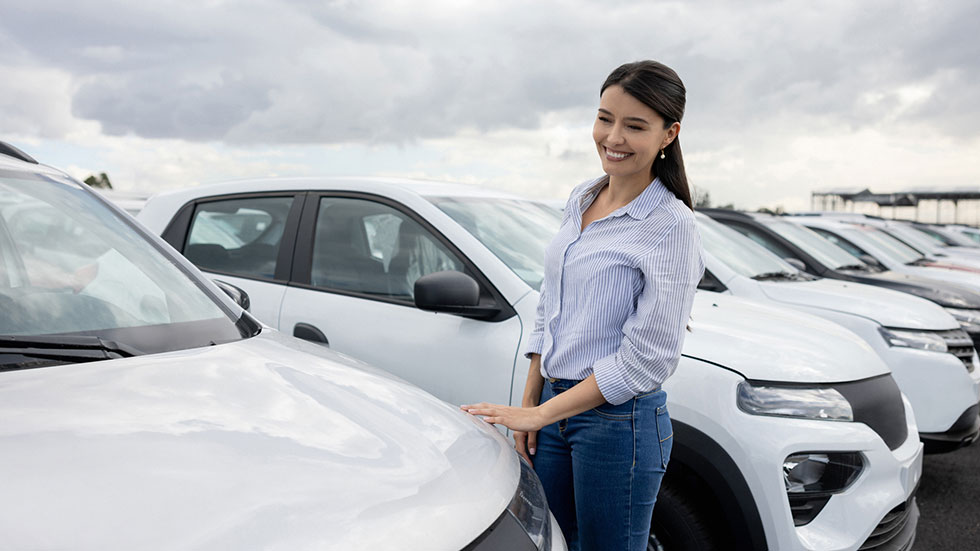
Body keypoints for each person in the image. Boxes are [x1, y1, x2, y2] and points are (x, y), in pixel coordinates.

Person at [461, 60, 704, 551]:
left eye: (635, 125)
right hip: (554, 410)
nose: (613, 136)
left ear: (668, 134)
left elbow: (647, 360)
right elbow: (550, 302)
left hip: (620, 425)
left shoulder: (671, 225)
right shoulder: (582, 197)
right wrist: (533, 401)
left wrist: (539, 415)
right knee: (554, 543)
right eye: (605, 118)